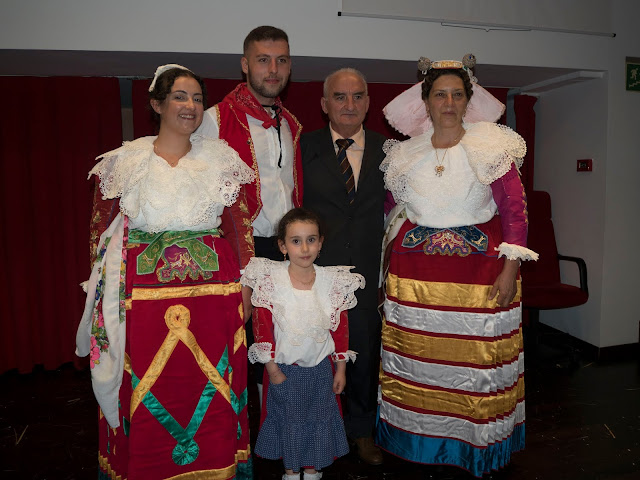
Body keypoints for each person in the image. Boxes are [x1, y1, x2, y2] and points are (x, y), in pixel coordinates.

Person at [76, 64, 255, 480]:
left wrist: (247, 289)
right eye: (179, 96)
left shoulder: (223, 160)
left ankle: (214, 466)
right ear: (157, 104)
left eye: (196, 97)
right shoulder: (124, 160)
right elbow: (99, 231)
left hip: (215, 297)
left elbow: (238, 228)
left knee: (209, 386)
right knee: (147, 385)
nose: (190, 105)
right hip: (140, 299)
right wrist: (104, 296)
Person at [376, 55, 538, 478]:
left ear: (468, 100)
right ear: (425, 101)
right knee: (421, 365)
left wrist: (510, 269)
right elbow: (392, 213)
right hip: (414, 279)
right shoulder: (404, 155)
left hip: (480, 278)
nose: (448, 102)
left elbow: (515, 212)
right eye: (439, 94)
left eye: (456, 94)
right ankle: (420, 445)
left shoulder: (490, 147)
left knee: (473, 371)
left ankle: (474, 448)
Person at [196, 25, 303, 400]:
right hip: (242, 249)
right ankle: (239, 434)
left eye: (281, 60)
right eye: (263, 60)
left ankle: (279, 431)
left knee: (284, 342)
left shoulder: (290, 123)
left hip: (288, 250)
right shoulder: (215, 118)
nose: (273, 69)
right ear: (245, 65)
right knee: (241, 342)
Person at [301, 68, 387, 465]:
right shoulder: (303, 148)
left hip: (369, 274)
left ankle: (363, 431)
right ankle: (319, 430)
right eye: (340, 96)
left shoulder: (391, 153)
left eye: (357, 96)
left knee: (365, 355)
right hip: (317, 275)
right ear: (324, 105)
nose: (349, 104)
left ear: (368, 102)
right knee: (317, 356)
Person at [241, 207, 365, 480]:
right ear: (282, 246)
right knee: (290, 423)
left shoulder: (333, 282)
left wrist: (341, 368)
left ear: (320, 243)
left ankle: (312, 470)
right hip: (286, 371)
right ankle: (290, 470)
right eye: (296, 241)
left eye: (311, 239)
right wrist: (272, 370)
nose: (304, 247)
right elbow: (261, 328)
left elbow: (340, 329)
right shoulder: (270, 280)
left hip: (322, 371)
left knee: (318, 423)